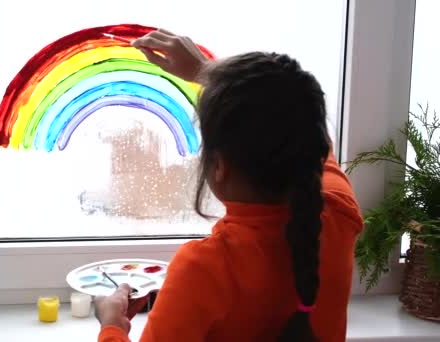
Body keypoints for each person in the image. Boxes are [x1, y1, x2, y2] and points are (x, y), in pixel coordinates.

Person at [94, 29, 364, 342]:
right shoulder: (338, 216)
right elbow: (304, 132)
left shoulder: (204, 270)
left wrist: (112, 325)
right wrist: (213, 76)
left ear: (219, 165)